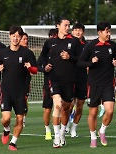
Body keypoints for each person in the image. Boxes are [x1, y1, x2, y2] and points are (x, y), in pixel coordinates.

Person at [0, 26, 37, 151]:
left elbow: (35, 70)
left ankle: (13, 142)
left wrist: (30, 68)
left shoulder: (27, 53)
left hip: (21, 92)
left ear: (21, 37)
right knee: (6, 119)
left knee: (20, 119)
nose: (16, 38)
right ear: (10, 36)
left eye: (18, 36)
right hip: (6, 91)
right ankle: (6, 130)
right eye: (13, 36)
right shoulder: (3, 52)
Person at [40, 17, 80, 148]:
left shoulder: (74, 42)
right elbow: (41, 58)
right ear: (58, 26)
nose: (67, 27)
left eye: (69, 25)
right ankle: (56, 137)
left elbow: (81, 59)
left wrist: (70, 57)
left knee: (66, 108)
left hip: (69, 80)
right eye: (65, 25)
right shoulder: (50, 42)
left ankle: (63, 133)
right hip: (54, 79)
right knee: (57, 105)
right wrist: (45, 67)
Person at [78, 21, 116, 148]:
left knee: (110, 111)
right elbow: (80, 62)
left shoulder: (113, 45)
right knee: (93, 113)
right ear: (99, 32)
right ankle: (93, 137)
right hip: (94, 84)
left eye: (109, 31)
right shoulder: (91, 46)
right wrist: (91, 62)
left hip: (108, 83)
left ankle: (102, 131)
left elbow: (115, 59)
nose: (109, 33)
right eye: (107, 31)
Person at [66, 23, 88, 138]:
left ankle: (74, 128)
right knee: (69, 105)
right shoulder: (67, 43)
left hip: (82, 78)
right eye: (75, 30)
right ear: (72, 31)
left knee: (80, 105)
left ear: (83, 32)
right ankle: (65, 125)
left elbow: (86, 60)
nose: (78, 32)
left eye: (80, 30)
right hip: (70, 77)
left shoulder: (87, 45)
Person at [37, 28, 58, 140]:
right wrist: (44, 69)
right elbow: (37, 66)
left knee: (60, 107)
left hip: (61, 83)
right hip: (48, 84)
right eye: (51, 37)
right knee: (48, 109)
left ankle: (59, 131)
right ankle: (47, 130)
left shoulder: (61, 50)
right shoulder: (44, 54)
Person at [19, 32, 30, 127]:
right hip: (13, 80)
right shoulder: (12, 50)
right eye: (24, 39)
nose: (26, 41)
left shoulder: (29, 53)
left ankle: (23, 119)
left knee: (24, 99)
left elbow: (34, 68)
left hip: (25, 80)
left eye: (27, 39)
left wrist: (30, 68)